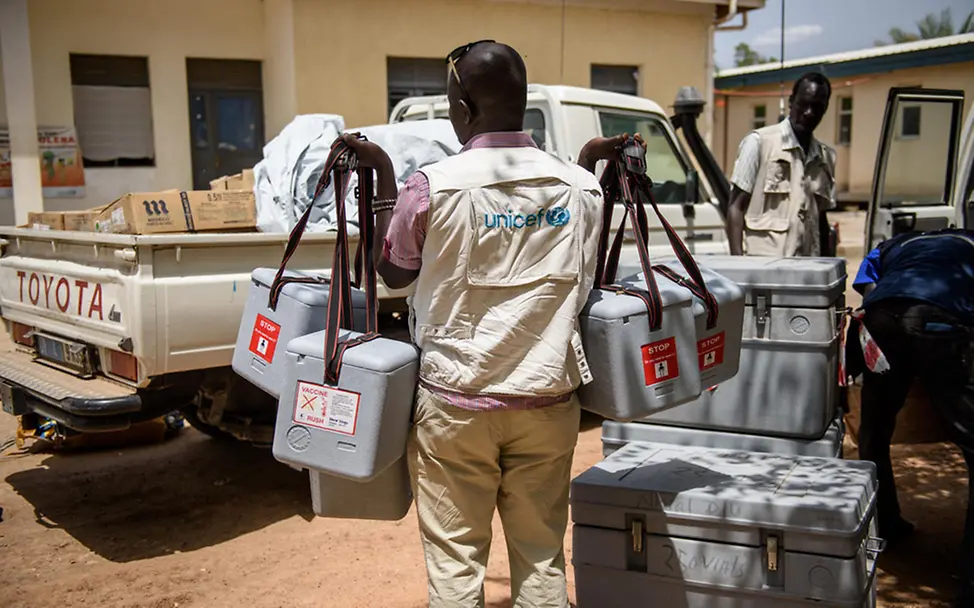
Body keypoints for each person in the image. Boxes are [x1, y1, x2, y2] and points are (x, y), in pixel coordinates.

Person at [339, 41, 636, 607]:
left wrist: (379, 175)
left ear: (463, 108)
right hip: (548, 399)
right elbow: (586, 275)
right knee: (542, 557)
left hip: (457, 402)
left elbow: (392, 276)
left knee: (455, 566)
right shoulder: (581, 187)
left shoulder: (431, 185)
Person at [850, 228, 974, 606]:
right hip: (938, 320)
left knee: (874, 429)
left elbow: (865, 289)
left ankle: (883, 525)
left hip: (880, 318)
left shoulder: (891, 245)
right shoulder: (969, 245)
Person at [726, 72, 837, 257]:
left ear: (825, 108)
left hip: (807, 272)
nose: (809, 113)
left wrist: (827, 268)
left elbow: (821, 221)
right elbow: (735, 208)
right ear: (791, 102)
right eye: (803, 104)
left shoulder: (825, 158)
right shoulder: (760, 143)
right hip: (762, 269)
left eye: (817, 107)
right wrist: (739, 266)